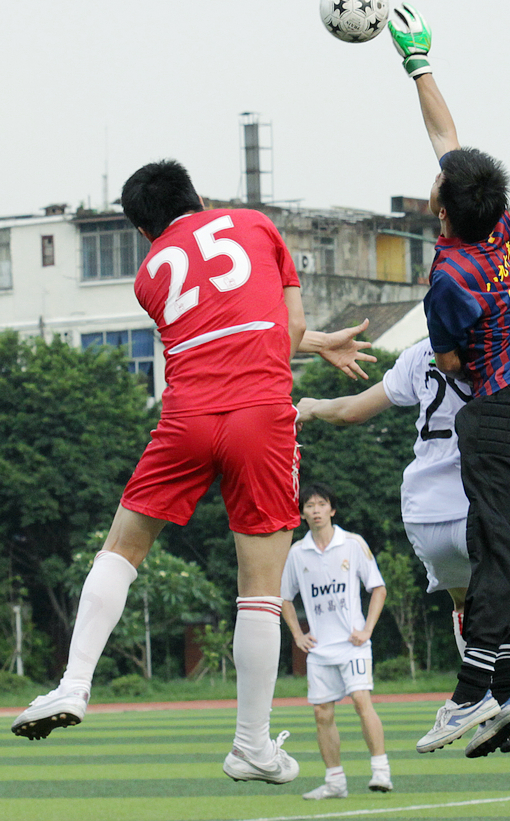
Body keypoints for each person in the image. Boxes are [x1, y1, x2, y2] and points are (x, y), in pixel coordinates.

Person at [10, 159, 376, 787]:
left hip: (186, 416)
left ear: (143, 232)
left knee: (121, 548)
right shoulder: (256, 225)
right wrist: (314, 342)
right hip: (260, 416)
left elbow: (212, 330)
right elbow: (282, 329)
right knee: (259, 587)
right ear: (199, 197)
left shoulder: (149, 273)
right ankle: (251, 745)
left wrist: (314, 341)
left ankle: (72, 683)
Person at [297, 337, 510, 821]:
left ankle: (497, 701)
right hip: (488, 505)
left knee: (466, 604)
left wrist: (311, 406)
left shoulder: (420, 351)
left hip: (425, 512)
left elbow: (351, 412)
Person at [387, 6, 510, 751]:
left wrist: (463, 353)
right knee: (507, 552)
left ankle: (470, 693)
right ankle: (502, 691)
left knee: (499, 553)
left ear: (442, 209)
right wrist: (419, 65)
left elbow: (453, 361)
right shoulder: (501, 229)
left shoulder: (451, 276)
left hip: (498, 416)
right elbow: (448, 140)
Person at [281, 483, 391, 800]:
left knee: (360, 700)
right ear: (302, 514)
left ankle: (381, 771)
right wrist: (298, 634)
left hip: (353, 645)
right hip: (319, 650)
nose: (315, 510)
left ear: (332, 509)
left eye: (321, 504)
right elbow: (284, 597)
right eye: (309, 506)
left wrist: (367, 629)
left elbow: (378, 588)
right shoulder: (297, 552)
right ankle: (335, 782)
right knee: (321, 713)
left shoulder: (352, 544)